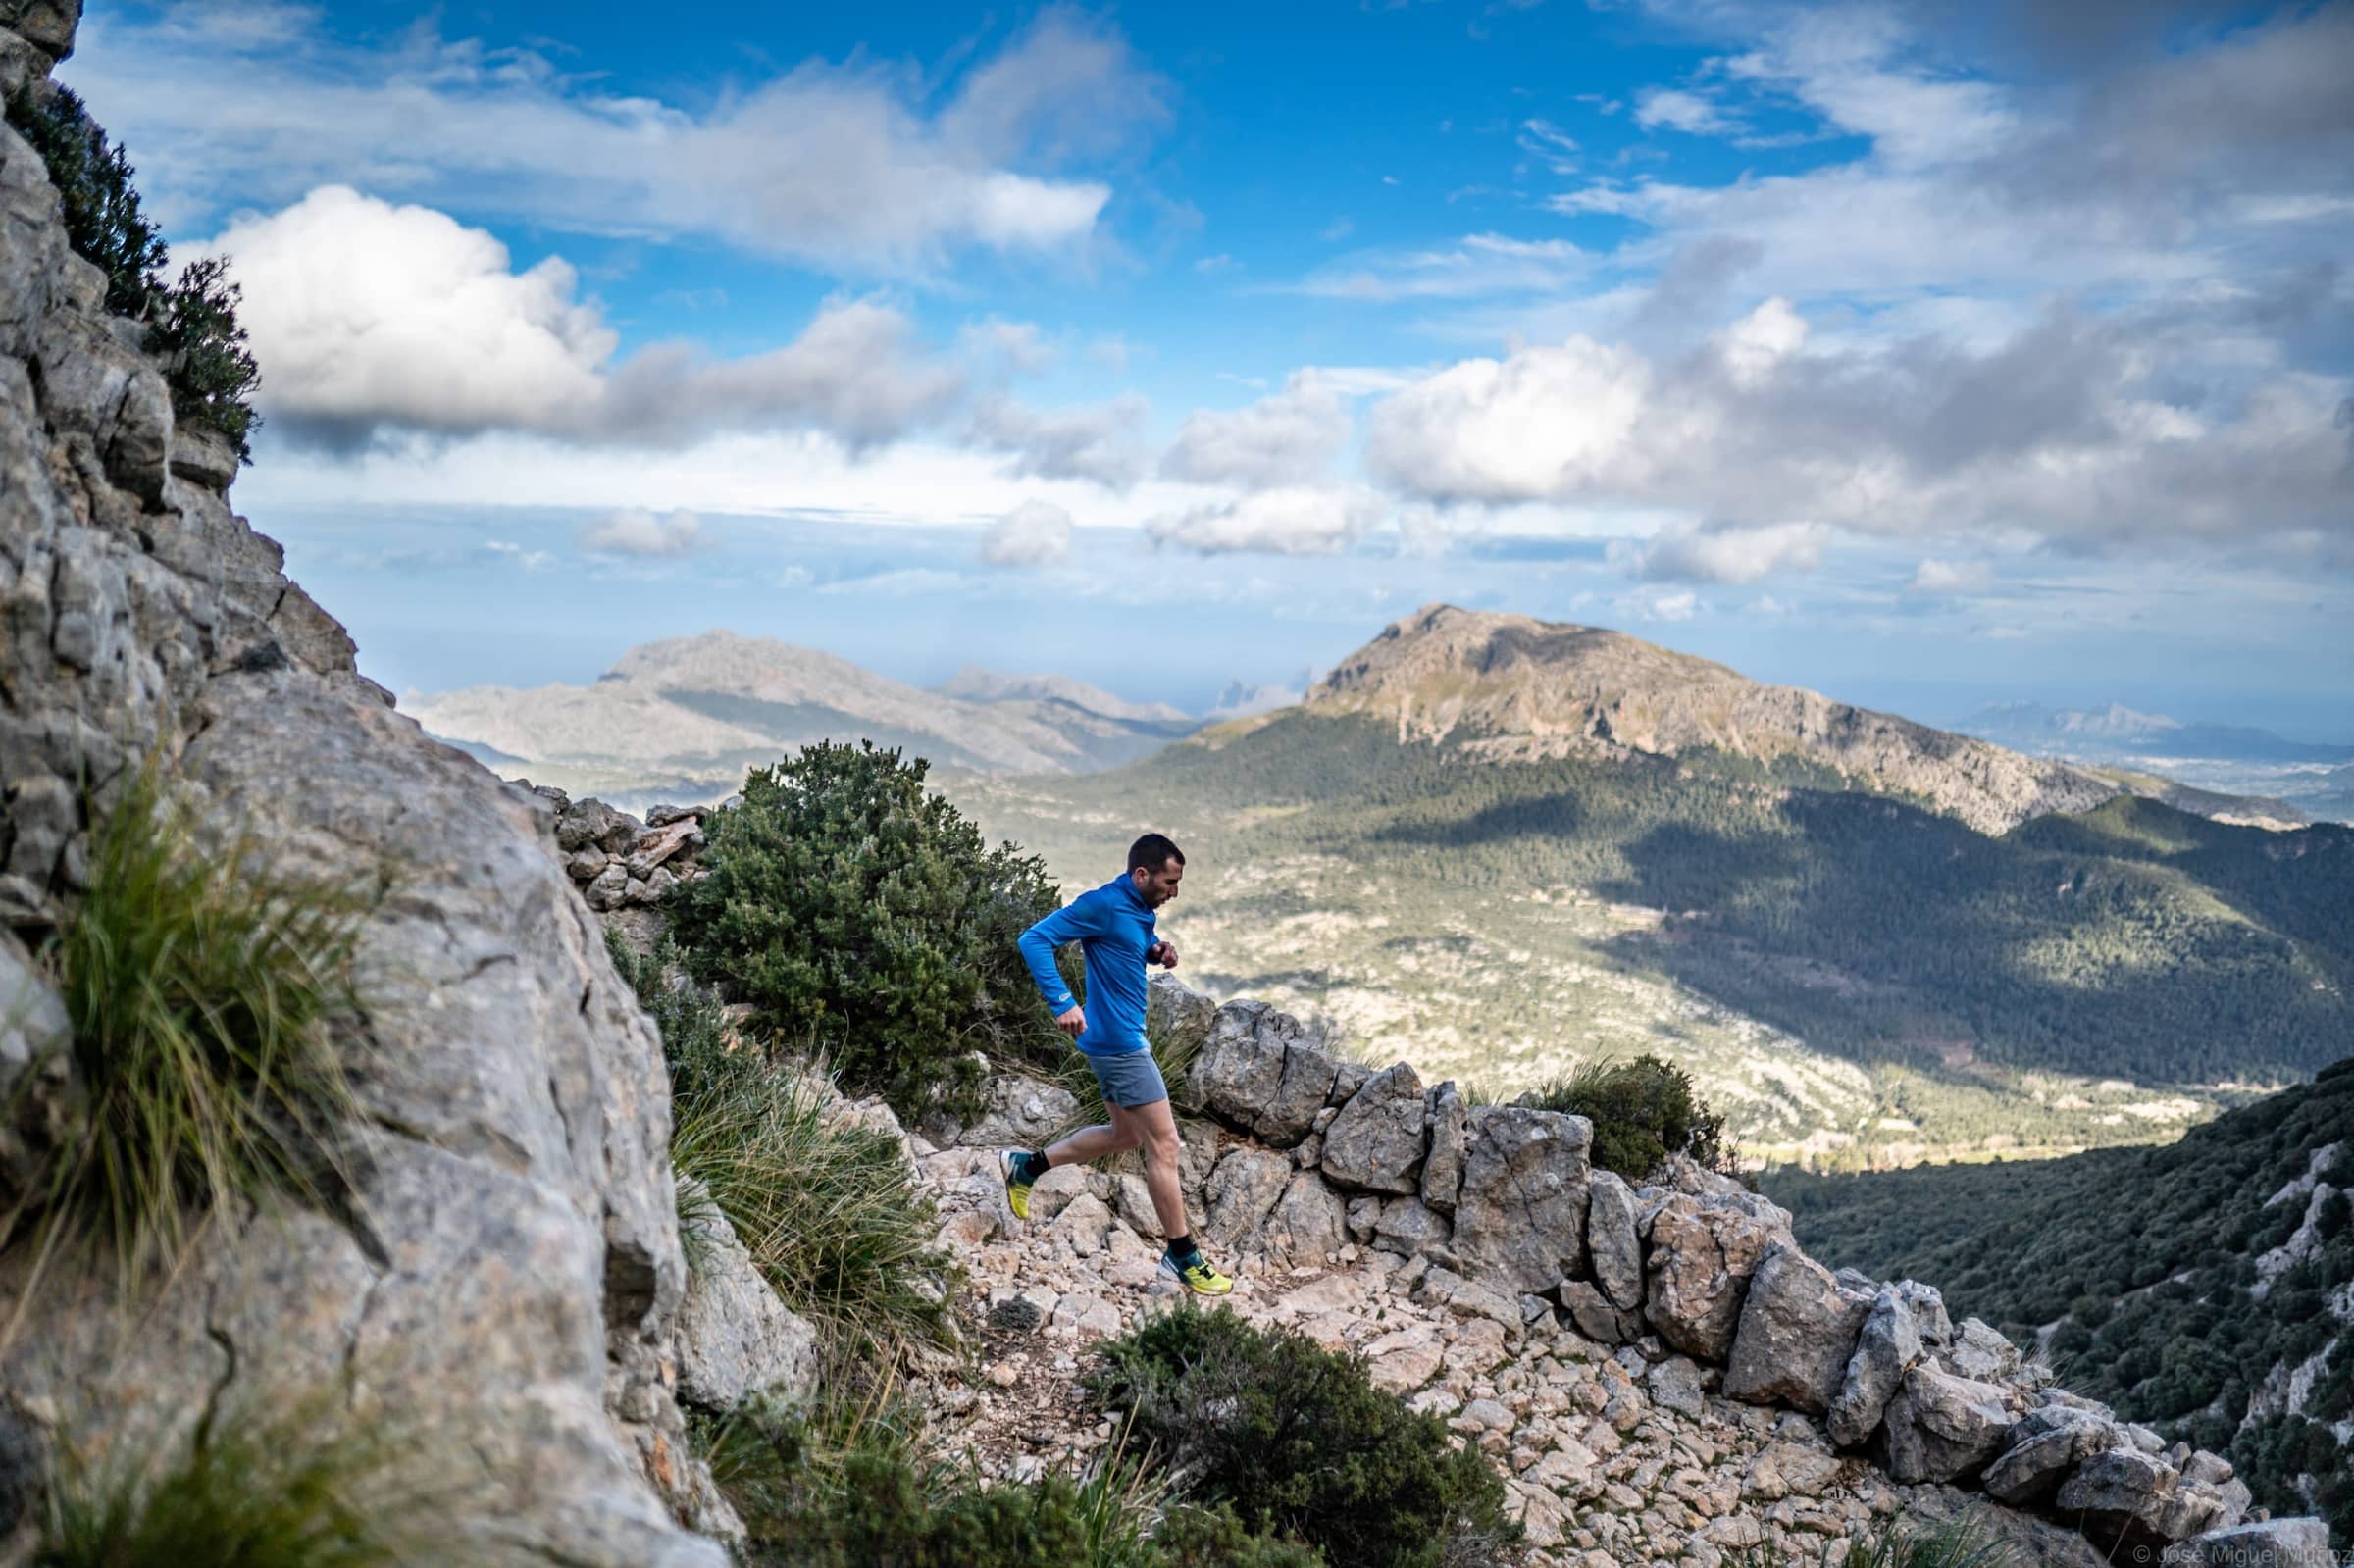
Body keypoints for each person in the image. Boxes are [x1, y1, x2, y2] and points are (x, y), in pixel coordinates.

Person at [1002, 832, 1233, 1295]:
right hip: (1122, 1046)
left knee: (1124, 1135)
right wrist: (1062, 1000)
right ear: (1141, 874)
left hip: (1114, 1041)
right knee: (1165, 1146)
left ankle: (1025, 1168)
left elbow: (1131, 941)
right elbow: (1034, 940)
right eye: (1169, 882)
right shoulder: (1103, 904)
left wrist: (1154, 951)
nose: (1174, 892)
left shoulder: (1138, 909)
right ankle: (1181, 1256)